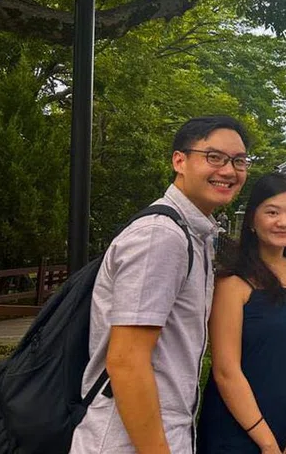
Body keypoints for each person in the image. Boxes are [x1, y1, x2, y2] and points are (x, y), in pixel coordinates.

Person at [71, 115, 250, 453]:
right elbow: (126, 360)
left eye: (239, 161)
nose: (229, 170)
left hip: (155, 433)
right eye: (214, 157)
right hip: (125, 440)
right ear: (179, 160)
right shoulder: (161, 236)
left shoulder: (192, 233)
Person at [197, 172, 286, 453]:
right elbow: (226, 371)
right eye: (272, 212)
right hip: (238, 428)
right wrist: (267, 443)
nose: (284, 222)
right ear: (252, 219)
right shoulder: (232, 283)